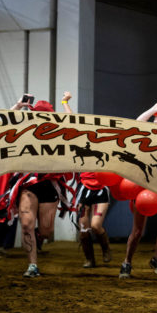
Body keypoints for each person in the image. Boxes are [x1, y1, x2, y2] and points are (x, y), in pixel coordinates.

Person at [0, 93, 72, 278]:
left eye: (44, 115)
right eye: (37, 114)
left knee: (47, 231)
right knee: (26, 225)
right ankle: (32, 265)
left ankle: (37, 241)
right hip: (28, 182)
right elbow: (1, 124)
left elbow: (73, 123)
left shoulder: (59, 133)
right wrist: (11, 107)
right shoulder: (23, 130)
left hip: (50, 184)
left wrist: (65, 102)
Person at [118, 98, 157, 278]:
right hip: (143, 188)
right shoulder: (147, 136)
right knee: (137, 232)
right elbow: (137, 123)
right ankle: (127, 262)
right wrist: (153, 108)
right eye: (156, 118)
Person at [62, 92, 113, 268]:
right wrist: (64, 101)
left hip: (101, 189)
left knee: (96, 226)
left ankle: (106, 248)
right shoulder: (80, 138)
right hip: (84, 188)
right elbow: (71, 120)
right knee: (84, 230)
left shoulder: (107, 143)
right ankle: (89, 259)